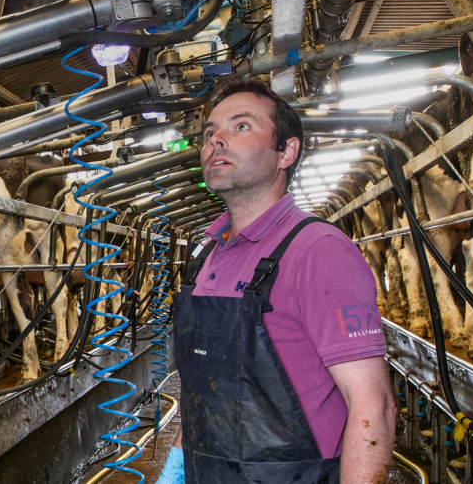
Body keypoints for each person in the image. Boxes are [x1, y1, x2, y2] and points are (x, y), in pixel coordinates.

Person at [155, 76, 395, 484]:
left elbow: (374, 408)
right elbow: (207, 391)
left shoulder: (319, 251)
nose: (217, 140)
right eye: (210, 133)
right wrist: (176, 467)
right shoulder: (207, 255)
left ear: (287, 151)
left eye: (241, 126)